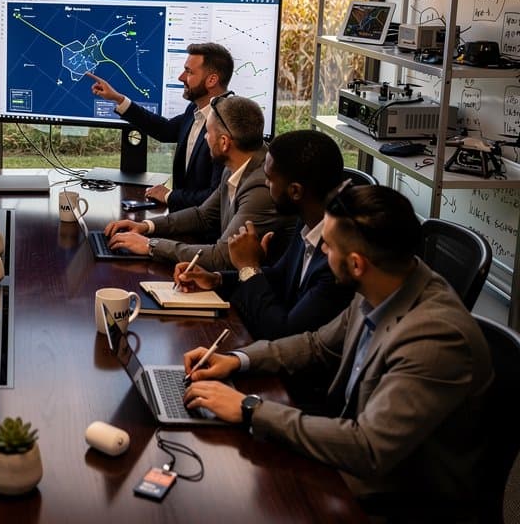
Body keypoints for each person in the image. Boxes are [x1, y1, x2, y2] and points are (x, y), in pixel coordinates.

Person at [181, 185, 493, 519]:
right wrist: (237, 360)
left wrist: (249, 408)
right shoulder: (384, 282)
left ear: (357, 264)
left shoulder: (436, 339)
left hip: (398, 496)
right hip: (349, 450)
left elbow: (368, 448)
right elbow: (317, 345)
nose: (321, 249)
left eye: (327, 245)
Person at [176, 129, 354, 341]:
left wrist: (248, 268)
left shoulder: (337, 257)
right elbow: (281, 276)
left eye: (269, 179)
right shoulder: (309, 218)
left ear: (295, 191)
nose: (266, 185)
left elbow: (282, 333)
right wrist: (217, 280)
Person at [104, 94, 296, 272]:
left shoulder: (260, 187)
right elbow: (203, 215)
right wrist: (146, 227)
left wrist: (149, 246)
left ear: (224, 143)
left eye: (207, 132)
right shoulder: (237, 163)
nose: (204, 137)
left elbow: (222, 256)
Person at [87, 42, 232, 211]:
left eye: (189, 72)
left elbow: (216, 196)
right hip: (183, 218)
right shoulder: (196, 108)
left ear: (212, 80)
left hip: (204, 231)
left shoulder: (229, 123)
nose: (181, 77)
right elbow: (166, 130)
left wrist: (168, 195)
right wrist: (118, 99)